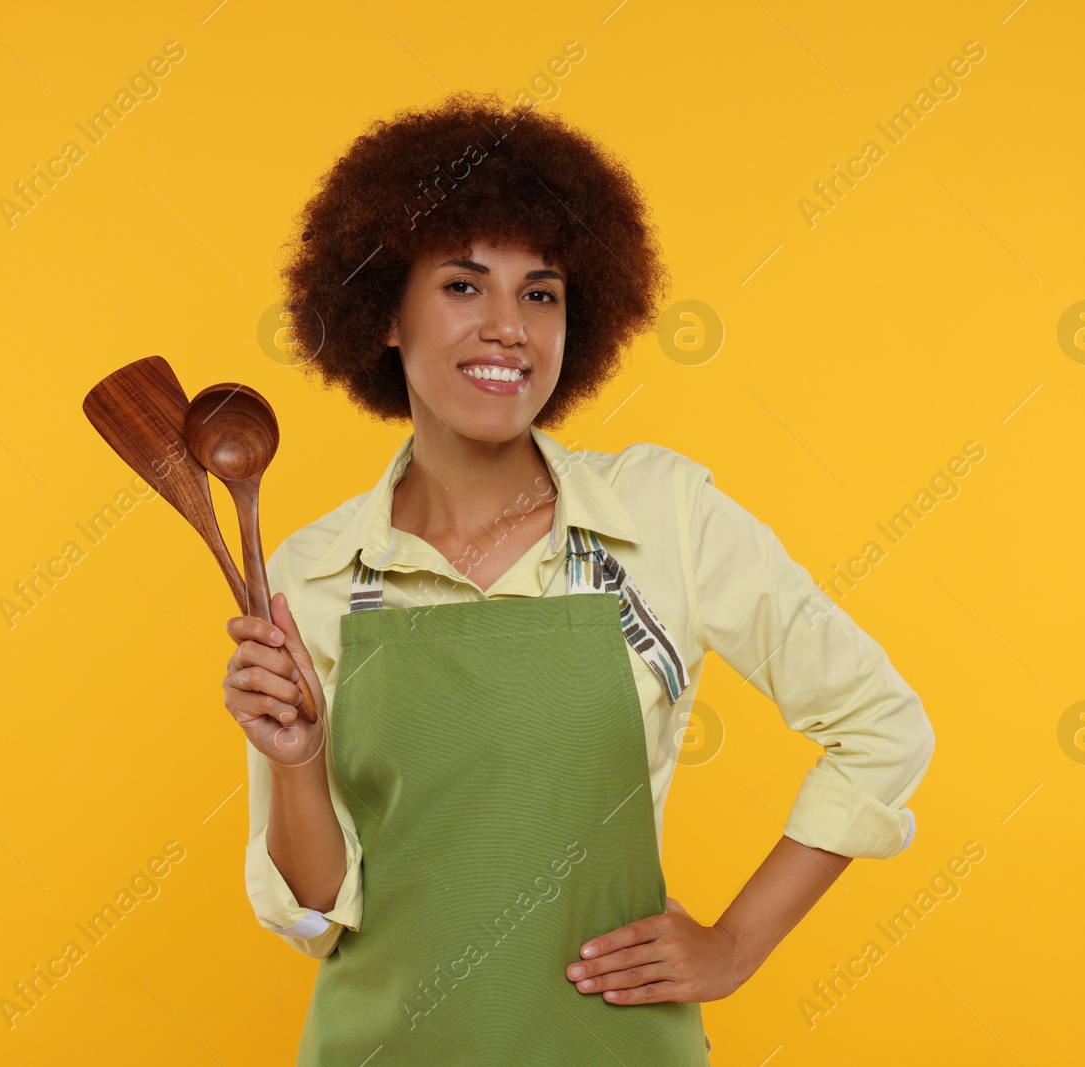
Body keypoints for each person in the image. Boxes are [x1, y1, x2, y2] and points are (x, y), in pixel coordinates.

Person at [224, 91, 935, 1065]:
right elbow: (313, 909)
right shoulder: (310, 570)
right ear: (383, 313)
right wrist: (297, 756)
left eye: (542, 291)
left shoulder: (664, 516)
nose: (509, 326)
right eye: (464, 286)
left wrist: (735, 943)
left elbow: (881, 723)